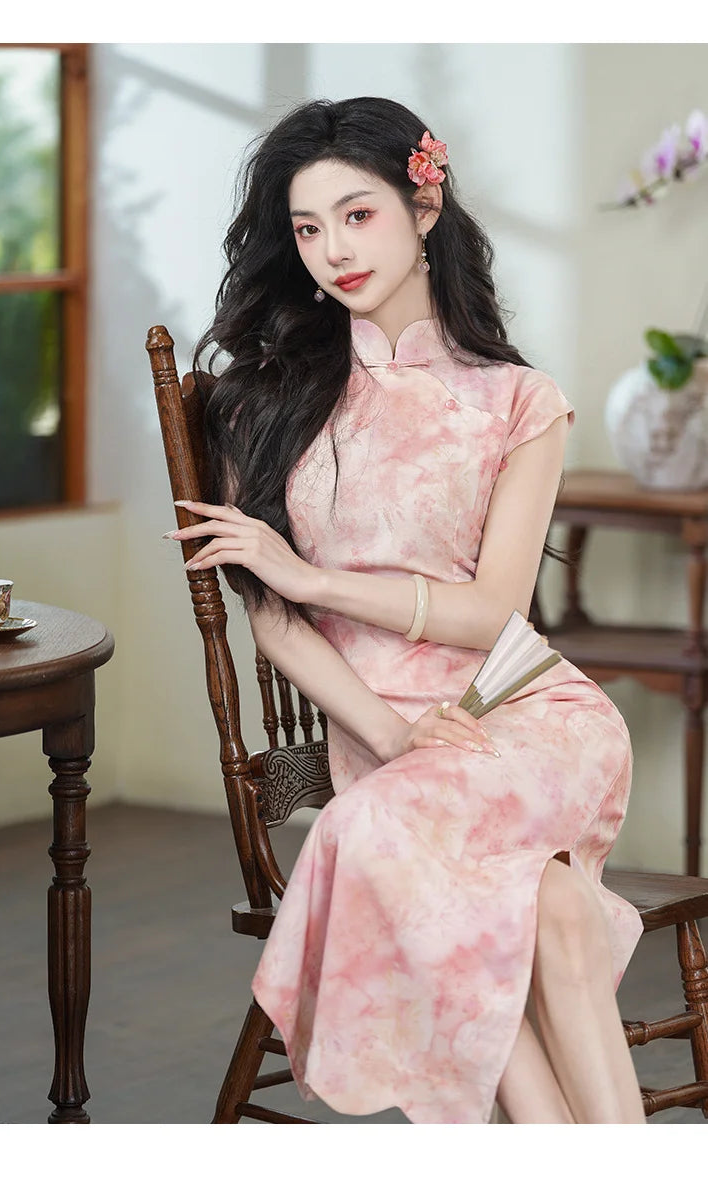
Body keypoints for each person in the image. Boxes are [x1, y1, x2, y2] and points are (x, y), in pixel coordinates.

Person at [179, 96, 646, 1123]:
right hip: (386, 730)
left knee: (399, 833)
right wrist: (390, 734)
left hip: (527, 719)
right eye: (307, 228)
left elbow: (493, 612)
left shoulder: (519, 399)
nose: (331, 251)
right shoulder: (263, 401)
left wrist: (320, 579)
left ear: (422, 207)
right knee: (550, 909)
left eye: (358, 215)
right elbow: (268, 618)